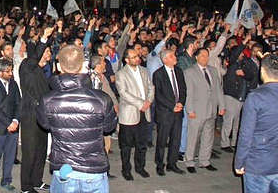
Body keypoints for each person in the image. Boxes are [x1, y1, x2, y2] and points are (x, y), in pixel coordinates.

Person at [36, 45, 117, 193]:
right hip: (93, 167)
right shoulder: (102, 99)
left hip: (64, 167)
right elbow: (109, 127)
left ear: (59, 66)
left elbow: (45, 124)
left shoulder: (47, 100)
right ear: (84, 66)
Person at [234, 54, 278, 193]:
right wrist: (276, 65)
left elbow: (246, 134)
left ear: (262, 71)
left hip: (259, 164)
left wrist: (239, 162)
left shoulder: (256, 97)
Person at [182, 48, 225, 173]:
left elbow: (218, 90)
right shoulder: (189, 72)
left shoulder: (213, 70)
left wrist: (221, 106)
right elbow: (188, 93)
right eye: (202, 56)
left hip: (211, 109)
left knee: (208, 136)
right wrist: (190, 110)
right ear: (196, 57)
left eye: (207, 56)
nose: (205, 58)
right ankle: (189, 161)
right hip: (197, 110)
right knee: (193, 137)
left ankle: (204, 160)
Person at [19, 36, 52, 193]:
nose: (48, 53)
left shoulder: (42, 71)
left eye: (49, 51)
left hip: (42, 116)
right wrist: (44, 39)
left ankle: (37, 180)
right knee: (29, 152)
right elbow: (34, 58)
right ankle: (26, 186)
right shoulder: (26, 66)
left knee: (41, 150)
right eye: (46, 51)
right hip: (30, 116)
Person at [115, 49, 154, 181]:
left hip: (145, 111)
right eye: (133, 57)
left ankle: (140, 167)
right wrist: (140, 103)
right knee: (126, 145)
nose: (137, 58)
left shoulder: (144, 70)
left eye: (137, 56)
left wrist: (148, 101)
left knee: (142, 144)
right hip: (129, 113)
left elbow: (151, 87)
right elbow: (123, 93)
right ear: (127, 60)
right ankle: (126, 169)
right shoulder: (121, 74)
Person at [0, 59, 21, 192]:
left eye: (11, 70)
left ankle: (6, 180)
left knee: (10, 156)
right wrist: (8, 123)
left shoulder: (14, 84)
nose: (11, 73)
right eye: (8, 71)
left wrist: (16, 121)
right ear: (0, 72)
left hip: (13, 126)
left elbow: (19, 103)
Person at [152, 48, 187, 176]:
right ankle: (160, 164)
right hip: (165, 112)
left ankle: (172, 163)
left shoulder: (179, 71)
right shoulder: (158, 74)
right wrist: (172, 106)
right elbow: (159, 95)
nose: (175, 57)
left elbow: (183, 89)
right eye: (172, 56)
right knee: (162, 140)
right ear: (165, 59)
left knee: (176, 139)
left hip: (178, 111)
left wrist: (181, 103)